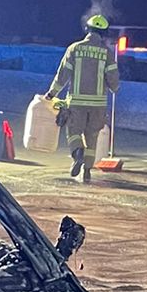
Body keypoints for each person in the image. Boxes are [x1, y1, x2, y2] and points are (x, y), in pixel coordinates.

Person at [47, 13, 119, 183]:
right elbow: (113, 79)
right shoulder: (107, 53)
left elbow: (62, 75)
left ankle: (77, 152)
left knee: (73, 131)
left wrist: (51, 94)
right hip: (99, 105)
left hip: (77, 103)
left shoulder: (74, 49)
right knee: (92, 136)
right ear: (104, 33)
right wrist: (114, 88)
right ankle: (87, 171)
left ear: (87, 29)